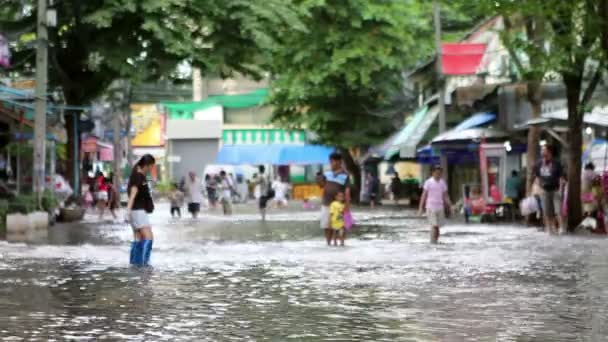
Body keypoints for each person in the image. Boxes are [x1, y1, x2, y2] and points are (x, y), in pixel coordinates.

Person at [126, 154, 156, 266]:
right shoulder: (138, 176)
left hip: (135, 211)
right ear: (147, 165)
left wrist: (128, 211)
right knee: (149, 236)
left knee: (138, 237)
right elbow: (133, 194)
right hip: (137, 211)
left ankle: (135, 263)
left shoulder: (137, 175)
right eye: (151, 166)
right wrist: (128, 210)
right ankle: (144, 263)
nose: (151, 169)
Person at [532, 144, 565, 234]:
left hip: (555, 189)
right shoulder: (538, 164)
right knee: (547, 211)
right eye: (541, 150)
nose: (542, 152)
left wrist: (561, 190)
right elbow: (537, 178)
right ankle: (550, 228)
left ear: (549, 152)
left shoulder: (556, 163)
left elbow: (561, 178)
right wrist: (538, 189)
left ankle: (561, 227)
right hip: (544, 190)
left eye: (544, 150)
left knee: (558, 210)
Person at [320, 153, 351, 245]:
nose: (331, 163)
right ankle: (328, 244)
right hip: (326, 203)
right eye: (330, 161)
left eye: (332, 161)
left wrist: (347, 206)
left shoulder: (345, 175)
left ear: (339, 162)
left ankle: (341, 244)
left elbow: (347, 191)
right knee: (326, 225)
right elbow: (321, 185)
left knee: (343, 226)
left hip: (340, 205)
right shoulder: (326, 173)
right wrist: (319, 179)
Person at [418, 165, 451, 244]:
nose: (438, 174)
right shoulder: (428, 182)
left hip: (440, 207)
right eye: (436, 173)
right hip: (430, 207)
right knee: (434, 225)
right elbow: (424, 195)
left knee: (438, 227)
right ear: (432, 173)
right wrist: (420, 208)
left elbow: (445, 196)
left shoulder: (442, 183)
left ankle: (435, 241)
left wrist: (450, 206)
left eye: (440, 173)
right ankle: (432, 242)